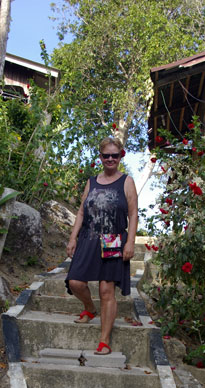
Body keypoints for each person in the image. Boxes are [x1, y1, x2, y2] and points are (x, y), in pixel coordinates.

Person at [65, 137, 138, 355]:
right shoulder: (92, 181)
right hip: (89, 238)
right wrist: (73, 238)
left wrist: (130, 242)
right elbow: (81, 212)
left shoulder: (127, 182)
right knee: (75, 281)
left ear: (120, 156)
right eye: (106, 155)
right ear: (100, 157)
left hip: (113, 240)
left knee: (106, 290)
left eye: (115, 155)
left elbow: (133, 213)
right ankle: (89, 308)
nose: (110, 159)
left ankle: (104, 341)